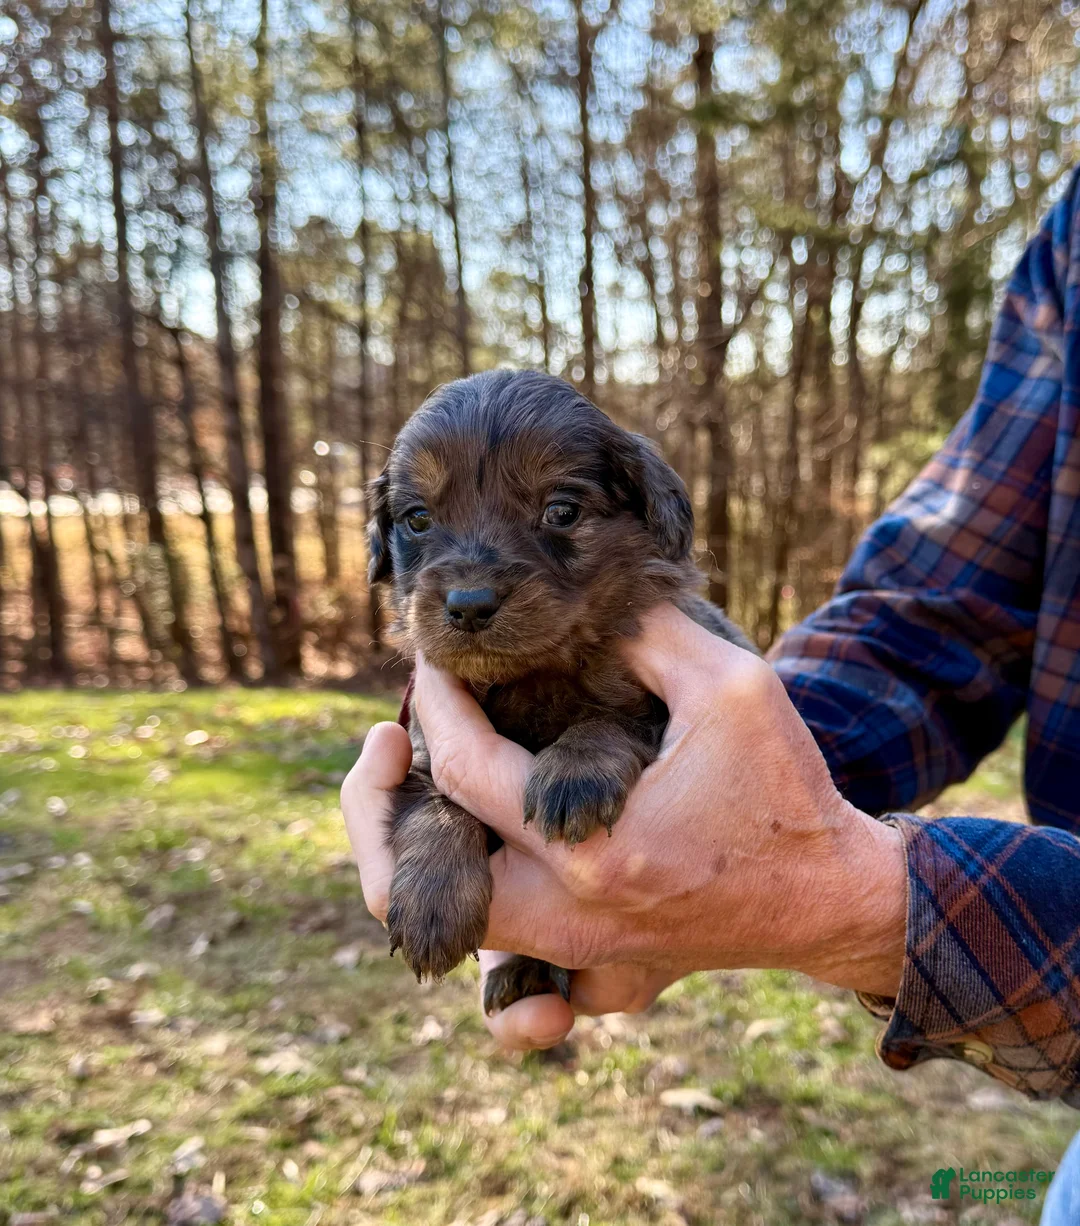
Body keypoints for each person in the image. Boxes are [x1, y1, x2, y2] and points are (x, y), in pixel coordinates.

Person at [341, 168, 1080, 1225]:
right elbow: (939, 613)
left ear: (651, 516)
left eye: (557, 509)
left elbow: (674, 743)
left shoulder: (651, 628)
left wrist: (857, 894)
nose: (465, 580)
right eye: (421, 525)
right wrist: (450, 825)